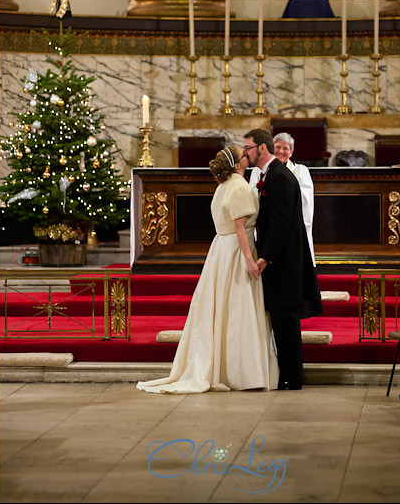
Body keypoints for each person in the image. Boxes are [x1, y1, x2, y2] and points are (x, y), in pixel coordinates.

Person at [137, 146, 276, 394]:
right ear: (236, 165)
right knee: (236, 308)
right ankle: (242, 372)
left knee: (221, 308)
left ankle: (225, 366)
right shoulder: (238, 186)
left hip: (221, 250)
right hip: (235, 251)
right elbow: (240, 226)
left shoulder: (224, 186)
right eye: (244, 155)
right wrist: (248, 258)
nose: (248, 156)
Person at [244, 129, 323, 390]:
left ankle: (292, 377)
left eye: (248, 148)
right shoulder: (272, 174)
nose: (246, 153)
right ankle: (287, 374)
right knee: (281, 320)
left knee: (287, 322)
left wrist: (265, 256)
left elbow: (280, 222)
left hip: (284, 263)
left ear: (261, 149)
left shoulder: (279, 177)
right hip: (281, 260)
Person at [248, 132, 315, 266]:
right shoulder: (258, 171)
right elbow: (252, 193)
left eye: (286, 148)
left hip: (291, 223)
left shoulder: (301, 171)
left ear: (291, 152)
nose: (281, 151)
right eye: (278, 147)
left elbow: (306, 197)